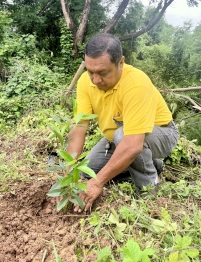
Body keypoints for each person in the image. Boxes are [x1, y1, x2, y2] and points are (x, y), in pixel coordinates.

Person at [67, 33, 179, 212]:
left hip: (161, 133)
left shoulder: (136, 84)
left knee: (123, 138)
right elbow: (79, 127)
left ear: (120, 62)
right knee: (87, 169)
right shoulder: (85, 83)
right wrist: (68, 172)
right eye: (90, 72)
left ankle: (148, 188)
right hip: (118, 139)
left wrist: (97, 184)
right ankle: (153, 165)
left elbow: (133, 144)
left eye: (103, 73)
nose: (96, 80)